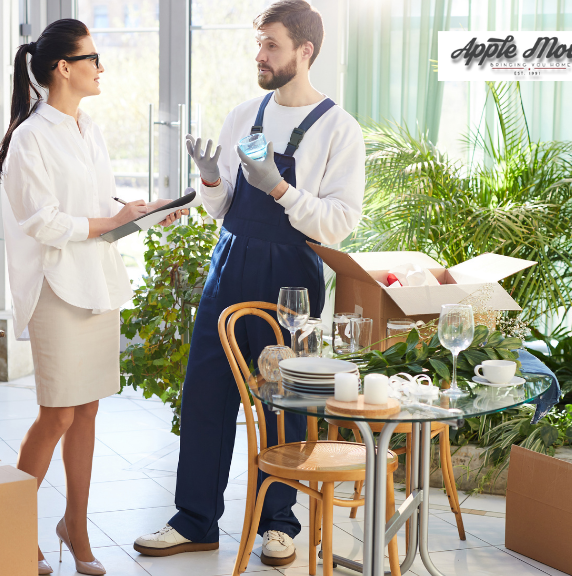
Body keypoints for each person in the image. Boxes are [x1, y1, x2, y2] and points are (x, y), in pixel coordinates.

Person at [134, 0, 365, 567]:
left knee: (287, 398)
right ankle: (195, 519)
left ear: (304, 52)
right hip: (231, 259)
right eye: (258, 45)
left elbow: (340, 221)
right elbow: (221, 207)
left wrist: (283, 191)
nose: (259, 56)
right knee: (207, 390)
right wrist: (212, 179)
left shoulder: (339, 128)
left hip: (292, 272)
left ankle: (278, 525)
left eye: (272, 46)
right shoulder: (244, 114)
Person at [0, 18, 188, 576]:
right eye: (93, 58)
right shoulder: (30, 137)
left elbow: (99, 206)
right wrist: (113, 217)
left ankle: (74, 525)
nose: (101, 68)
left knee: (86, 413)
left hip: (97, 283)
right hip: (57, 287)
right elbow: (45, 223)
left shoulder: (89, 129)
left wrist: (145, 213)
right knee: (55, 414)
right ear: (64, 68)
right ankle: (15, 524)